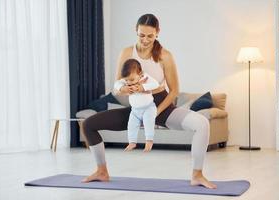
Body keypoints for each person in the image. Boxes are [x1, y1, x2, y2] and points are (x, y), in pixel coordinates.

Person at [82, 13, 217, 189]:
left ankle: (197, 175)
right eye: (141, 35)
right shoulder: (126, 52)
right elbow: (116, 86)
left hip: (162, 108)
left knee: (202, 123)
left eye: (150, 36)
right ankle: (101, 171)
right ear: (136, 31)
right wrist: (123, 89)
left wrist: (156, 113)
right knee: (88, 124)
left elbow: (174, 90)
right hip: (135, 110)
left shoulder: (164, 56)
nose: (145, 40)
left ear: (158, 32)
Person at [113, 58, 159, 152]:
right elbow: (116, 83)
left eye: (132, 79)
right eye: (127, 80)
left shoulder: (145, 78)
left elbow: (156, 84)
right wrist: (122, 88)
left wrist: (143, 87)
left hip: (148, 108)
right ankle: (132, 142)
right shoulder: (127, 82)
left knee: (148, 123)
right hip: (135, 110)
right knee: (131, 125)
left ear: (140, 73)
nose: (129, 82)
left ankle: (149, 141)